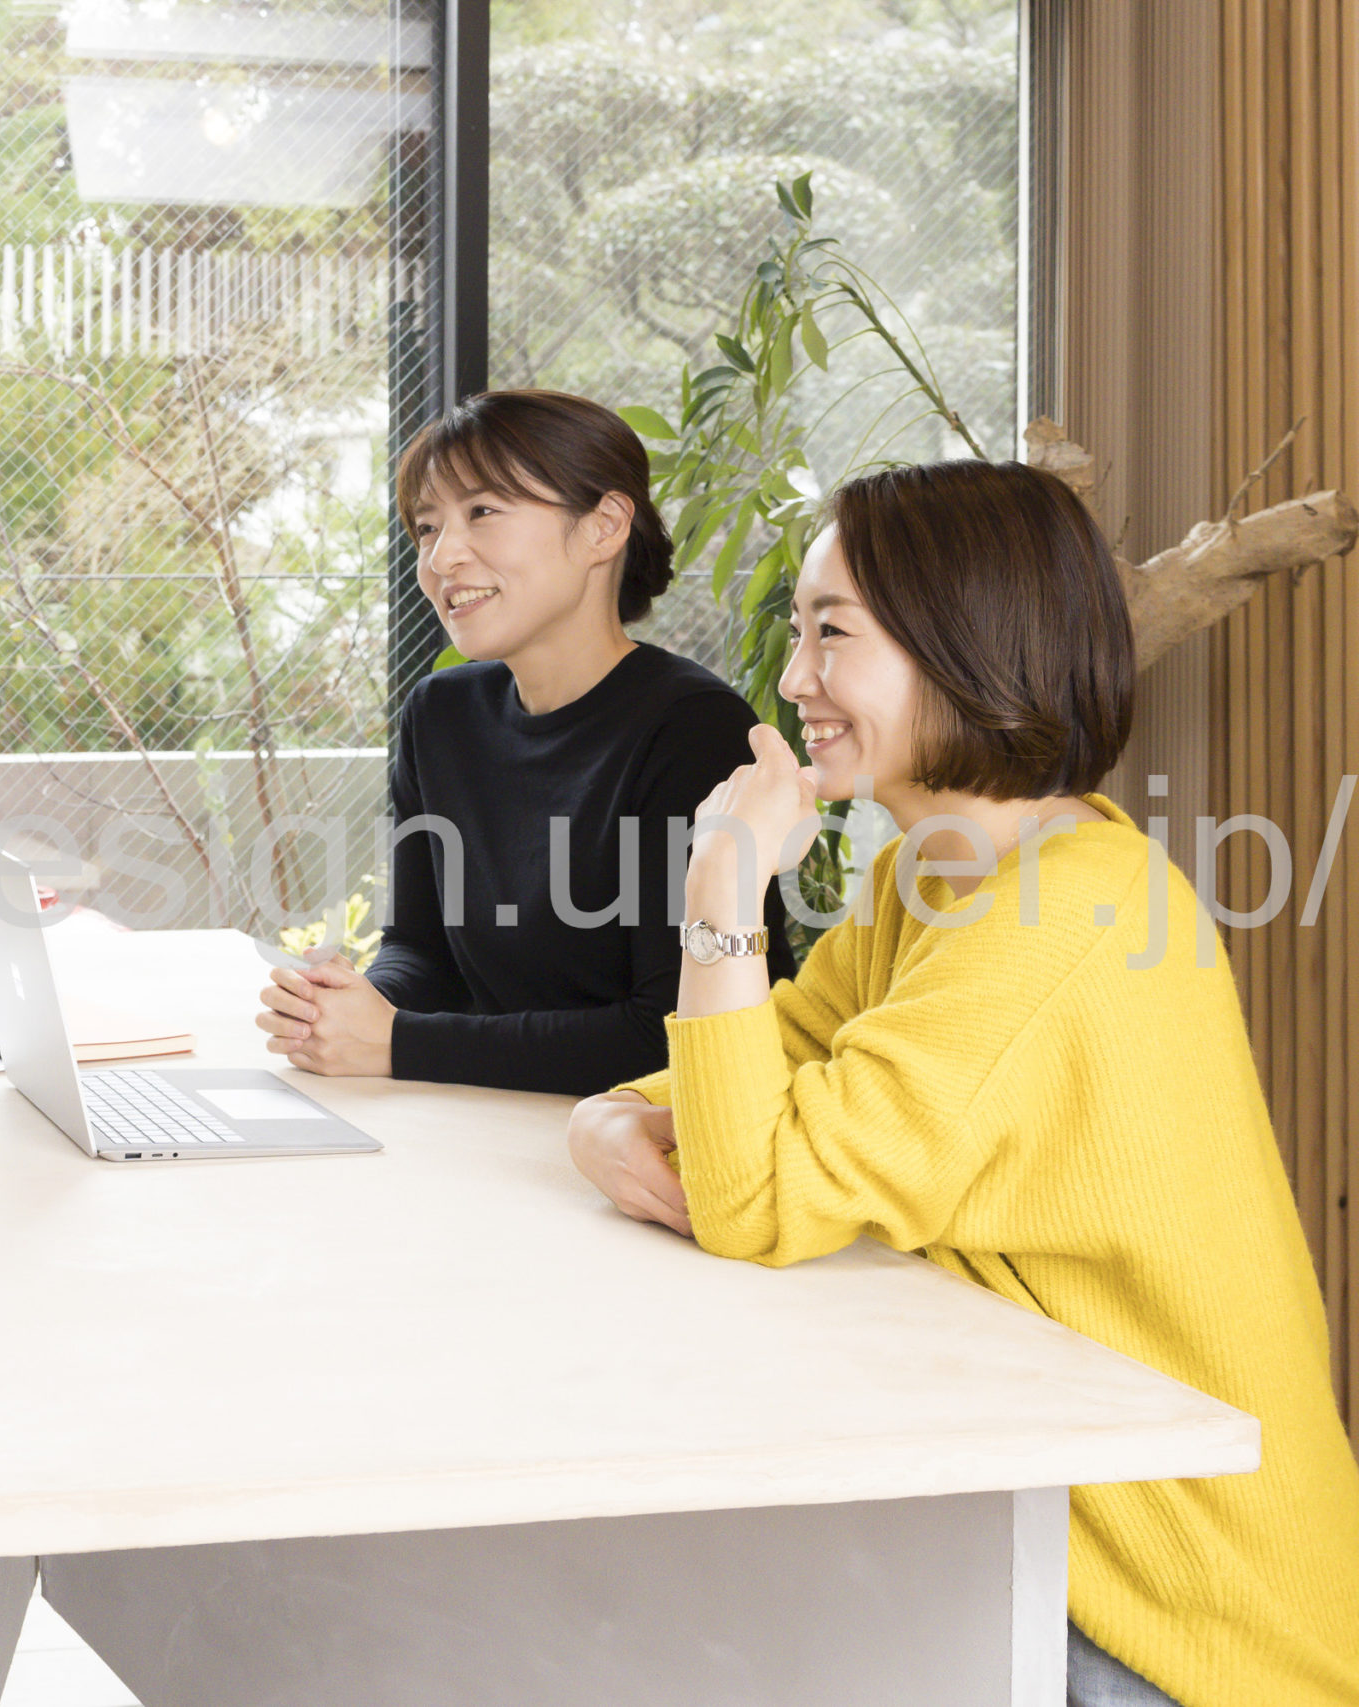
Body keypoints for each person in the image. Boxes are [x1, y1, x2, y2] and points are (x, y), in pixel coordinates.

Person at [565, 459, 1359, 1707]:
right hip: (1034, 1527)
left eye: (833, 633)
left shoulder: (1067, 915)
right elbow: (751, 1074)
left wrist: (723, 890)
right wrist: (601, 1118)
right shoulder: (933, 878)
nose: (793, 680)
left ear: (964, 644)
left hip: (1161, 1619)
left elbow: (750, 1191)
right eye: (798, 631)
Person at [256, 389, 793, 1092]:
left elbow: (670, 1032)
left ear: (603, 527)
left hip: (643, 1133)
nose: (442, 557)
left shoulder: (693, 728)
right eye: (426, 527)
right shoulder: (439, 716)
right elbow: (422, 949)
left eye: (482, 511)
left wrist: (397, 1039)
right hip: (488, 1117)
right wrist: (350, 1005)